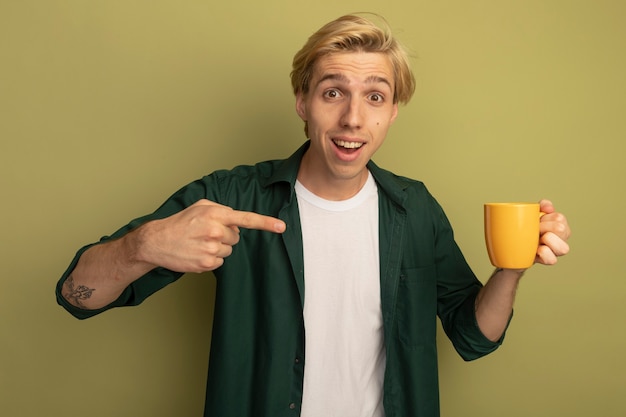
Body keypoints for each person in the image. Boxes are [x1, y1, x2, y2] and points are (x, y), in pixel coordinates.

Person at [56, 13, 571, 417]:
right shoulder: (231, 197)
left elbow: (473, 335)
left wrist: (512, 265)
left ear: (393, 110)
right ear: (302, 101)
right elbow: (76, 295)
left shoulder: (415, 209)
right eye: (332, 93)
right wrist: (140, 246)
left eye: (375, 96)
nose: (353, 118)